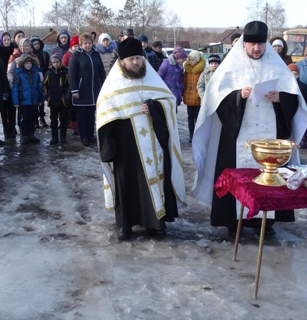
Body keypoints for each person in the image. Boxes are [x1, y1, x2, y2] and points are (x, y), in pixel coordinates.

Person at [192, 21, 307, 236]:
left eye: (261, 44)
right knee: (236, 174)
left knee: (268, 174)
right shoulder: (230, 66)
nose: (257, 48)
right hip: (236, 136)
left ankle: (263, 221)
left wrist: (279, 98)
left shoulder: (276, 65)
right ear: (244, 44)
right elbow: (214, 100)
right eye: (252, 44)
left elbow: (295, 100)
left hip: (269, 135)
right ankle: (233, 221)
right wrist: (238, 96)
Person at [96, 37, 186, 241]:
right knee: (126, 183)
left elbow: (169, 102)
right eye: (131, 59)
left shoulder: (152, 79)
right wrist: (109, 147)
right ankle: (125, 225)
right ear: (121, 62)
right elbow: (103, 115)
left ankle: (155, 223)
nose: (136, 63)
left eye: (138, 58)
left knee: (155, 181)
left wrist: (155, 107)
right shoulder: (112, 85)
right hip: (125, 146)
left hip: (153, 144)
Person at [68, 34, 106, 147]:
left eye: (89, 43)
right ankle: (84, 136)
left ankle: (91, 135)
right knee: (82, 115)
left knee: (91, 114)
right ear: (81, 44)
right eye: (85, 43)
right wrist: (74, 90)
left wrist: (104, 86)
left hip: (94, 90)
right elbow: (72, 74)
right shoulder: (76, 56)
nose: (88, 45)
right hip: (81, 90)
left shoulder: (96, 54)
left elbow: (101, 72)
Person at [11, 54, 43, 145]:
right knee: (25, 119)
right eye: (26, 63)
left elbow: (39, 88)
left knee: (33, 119)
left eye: (30, 63)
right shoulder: (18, 75)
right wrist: (16, 102)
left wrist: (40, 100)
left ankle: (32, 135)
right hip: (23, 102)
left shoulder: (36, 74)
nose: (28, 65)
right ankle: (25, 136)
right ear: (23, 64)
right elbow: (15, 89)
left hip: (33, 101)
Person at [44, 53, 70, 144]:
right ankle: (54, 138)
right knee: (53, 121)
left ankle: (63, 137)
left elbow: (69, 86)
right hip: (53, 101)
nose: (55, 64)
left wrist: (67, 96)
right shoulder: (48, 73)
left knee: (63, 120)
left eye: (57, 62)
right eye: (53, 62)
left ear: (60, 62)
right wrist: (47, 97)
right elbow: (44, 86)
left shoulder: (65, 72)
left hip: (63, 101)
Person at [182, 50, 205, 141]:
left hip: (198, 98)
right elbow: (184, 83)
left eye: (193, 60)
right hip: (189, 98)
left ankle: (197, 136)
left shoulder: (201, 71)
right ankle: (191, 135)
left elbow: (202, 85)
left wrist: (198, 95)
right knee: (190, 118)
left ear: (198, 61)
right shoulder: (187, 71)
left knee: (197, 119)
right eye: (189, 59)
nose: (190, 61)